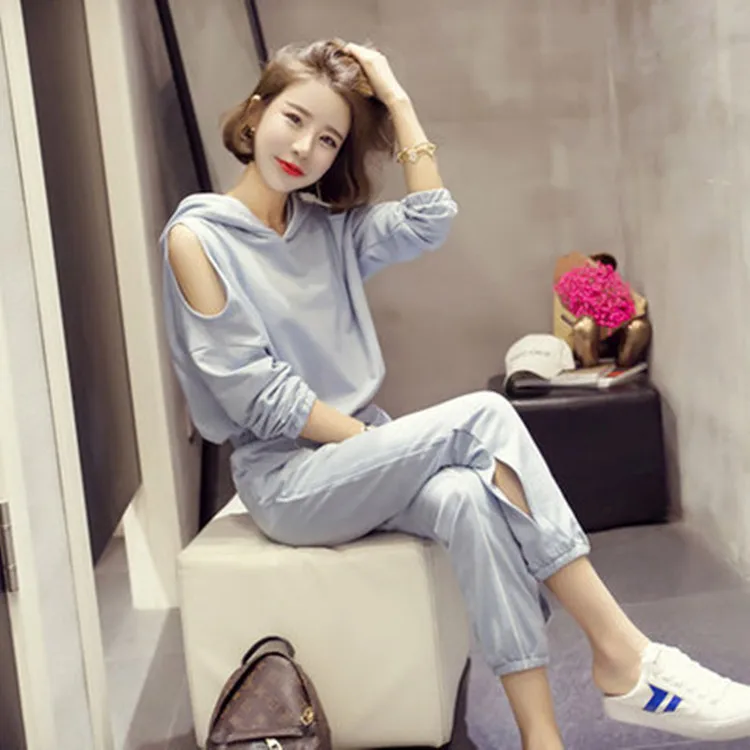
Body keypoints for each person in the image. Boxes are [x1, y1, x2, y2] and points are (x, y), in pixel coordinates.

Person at [161, 39, 750, 749]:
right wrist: (388, 445)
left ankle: (542, 739)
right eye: (294, 119)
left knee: (468, 499)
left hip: (358, 458)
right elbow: (264, 402)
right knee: (483, 415)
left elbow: (430, 216)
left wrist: (395, 96)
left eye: (329, 139)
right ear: (256, 114)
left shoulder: (327, 232)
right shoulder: (197, 238)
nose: (304, 149)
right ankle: (624, 655)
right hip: (289, 481)